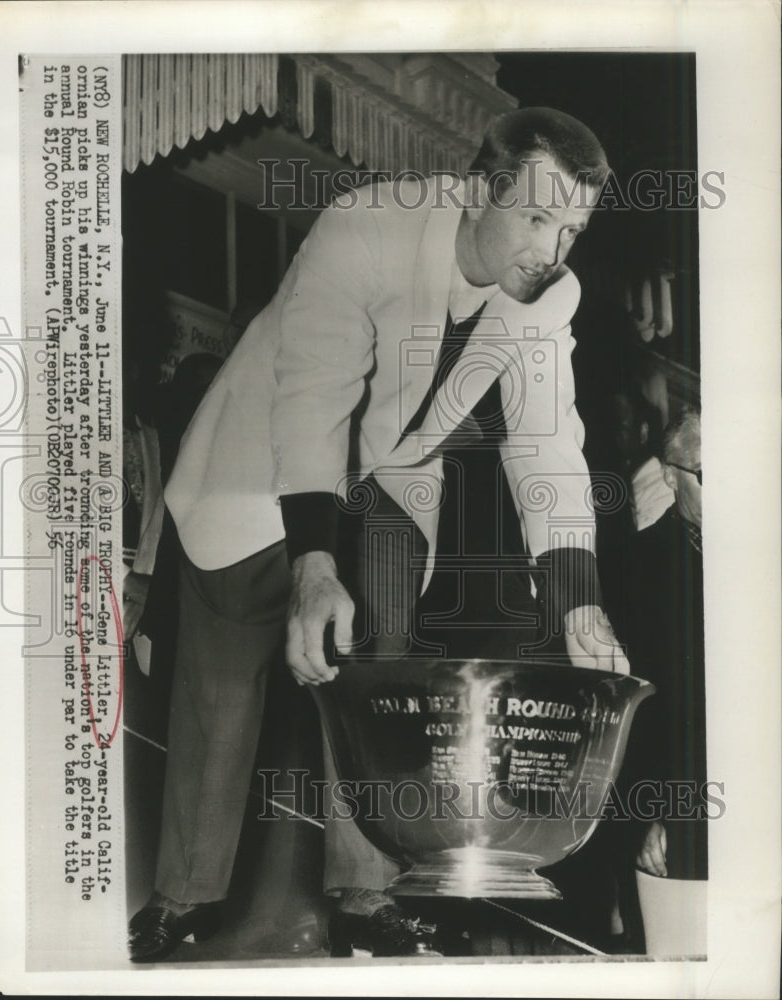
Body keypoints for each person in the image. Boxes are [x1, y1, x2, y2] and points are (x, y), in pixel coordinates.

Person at [128, 107, 629, 961]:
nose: (553, 252)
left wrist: (579, 601)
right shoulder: (366, 223)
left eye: (572, 230)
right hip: (256, 464)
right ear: (478, 191)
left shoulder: (553, 296)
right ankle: (182, 897)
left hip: (391, 479)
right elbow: (314, 394)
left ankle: (366, 893)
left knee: (382, 674)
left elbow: (547, 444)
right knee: (224, 687)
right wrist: (314, 567)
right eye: (537, 217)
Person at [621, 407, 706, 955]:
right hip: (675, 810)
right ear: (671, 477)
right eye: (707, 474)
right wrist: (657, 812)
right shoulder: (638, 568)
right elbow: (645, 710)